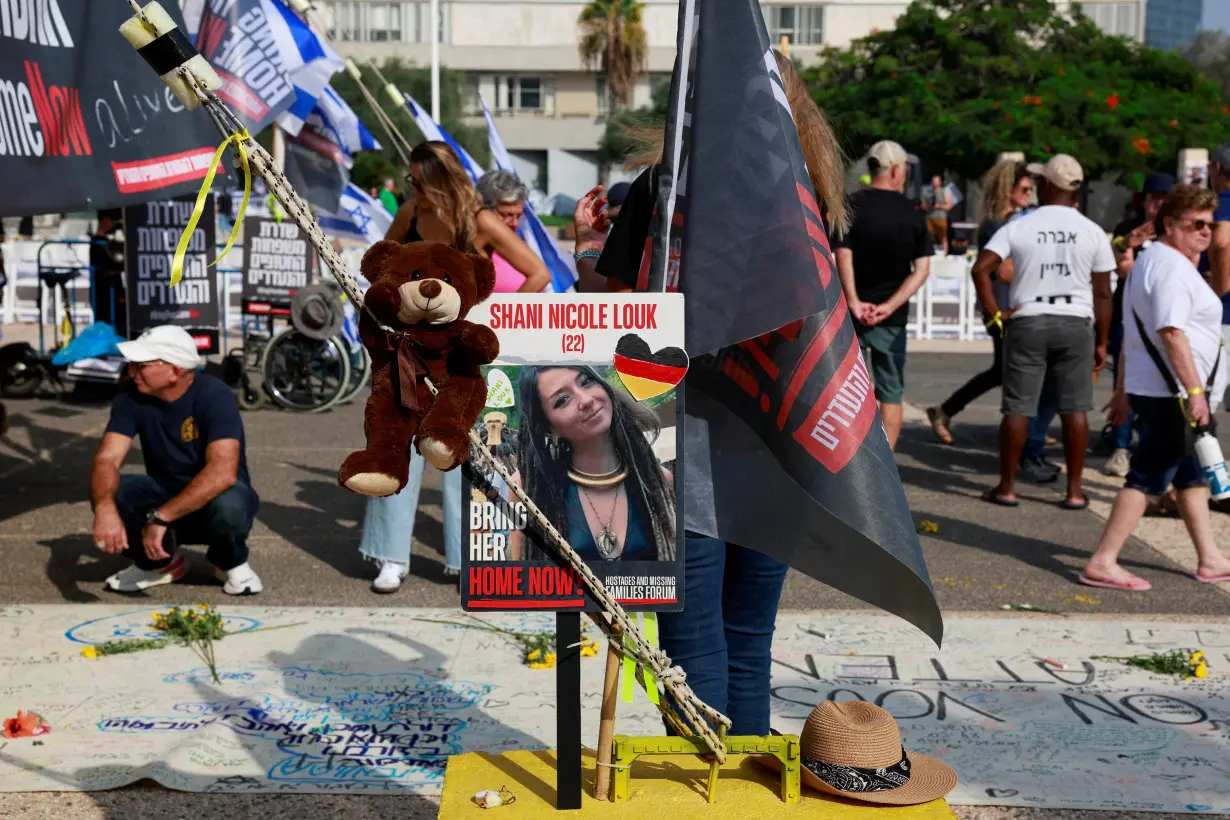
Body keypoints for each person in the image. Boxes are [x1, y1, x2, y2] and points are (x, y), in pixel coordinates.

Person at [570, 49, 848, 736]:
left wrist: (586, 250)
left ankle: (707, 795)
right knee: (748, 645)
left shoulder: (664, 190)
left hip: (682, 446)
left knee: (692, 654)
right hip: (781, 449)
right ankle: (742, 795)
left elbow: (618, 312)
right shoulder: (813, 195)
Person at [1080, 185, 1230, 590]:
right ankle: (1103, 560)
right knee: (1147, 477)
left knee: (1190, 475)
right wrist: (1196, 393)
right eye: (1195, 224)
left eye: (1209, 225)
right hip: (1175, 395)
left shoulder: (1152, 261)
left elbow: (1133, 332)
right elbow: (1169, 332)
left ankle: (1211, 558)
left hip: (1166, 390)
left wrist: (1124, 389)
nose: (1205, 232)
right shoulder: (1170, 268)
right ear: (1169, 224)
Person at [971, 154, 1115, 509]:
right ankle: (1075, 491)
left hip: (1028, 318)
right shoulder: (1092, 231)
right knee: (1075, 409)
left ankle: (1006, 487)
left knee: (1018, 408)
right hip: (1076, 320)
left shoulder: (1021, 224)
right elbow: (1102, 292)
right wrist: (1103, 341)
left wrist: (994, 315)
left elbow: (981, 269)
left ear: (1047, 185)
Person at [90, 325, 262, 594]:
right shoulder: (129, 396)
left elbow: (223, 473)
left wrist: (160, 518)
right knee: (113, 490)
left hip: (213, 499)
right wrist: (104, 507)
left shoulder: (215, 395)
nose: (132, 371)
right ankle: (159, 562)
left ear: (175, 371)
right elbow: (107, 459)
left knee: (232, 503)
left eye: (141, 365)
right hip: (165, 493)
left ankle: (229, 560)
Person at [513, 365, 675, 562]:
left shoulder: (659, 481)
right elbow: (522, 575)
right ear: (548, 427)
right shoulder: (525, 489)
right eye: (563, 400)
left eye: (586, 382)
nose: (586, 400)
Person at [832, 139, 933, 452]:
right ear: (895, 170)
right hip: (892, 318)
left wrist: (853, 301)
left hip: (851, 314)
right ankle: (886, 462)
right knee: (890, 391)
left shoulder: (850, 205)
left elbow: (842, 254)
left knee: (847, 388)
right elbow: (922, 270)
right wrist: (888, 307)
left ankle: (852, 458)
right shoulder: (913, 213)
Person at [927, 161, 1034, 444]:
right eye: (1024, 188)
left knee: (1003, 370)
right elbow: (1002, 270)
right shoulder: (997, 225)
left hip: (1010, 305)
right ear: (1007, 189)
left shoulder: (1013, 220)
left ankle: (946, 410)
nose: (1029, 193)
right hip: (1000, 307)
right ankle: (1024, 432)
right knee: (1012, 371)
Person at [1100, 172, 1175, 477]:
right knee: (1125, 379)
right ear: (1144, 199)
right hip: (1127, 317)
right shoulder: (1127, 229)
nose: (1158, 203)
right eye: (1154, 197)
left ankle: (1148, 443)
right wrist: (1130, 243)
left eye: (1165, 198)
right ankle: (1120, 447)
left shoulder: (1173, 232)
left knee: (1157, 383)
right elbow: (1121, 267)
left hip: (1162, 318)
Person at [475, 169, 551, 293]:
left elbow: (543, 277)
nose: (515, 223)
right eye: (507, 215)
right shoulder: (471, 244)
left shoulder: (523, 248)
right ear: (484, 209)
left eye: (518, 216)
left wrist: (508, 311)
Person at [89, 209, 127, 337]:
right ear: (105, 220)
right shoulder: (98, 242)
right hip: (104, 295)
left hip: (115, 294)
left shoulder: (108, 241)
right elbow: (103, 267)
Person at [922, 174, 952, 253]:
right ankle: (928, 253)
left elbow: (949, 206)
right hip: (929, 217)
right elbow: (922, 205)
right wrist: (928, 205)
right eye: (933, 181)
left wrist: (938, 206)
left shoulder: (944, 191)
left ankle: (945, 254)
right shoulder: (927, 192)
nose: (935, 183)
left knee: (943, 238)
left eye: (936, 181)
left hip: (941, 218)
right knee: (927, 237)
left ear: (940, 182)